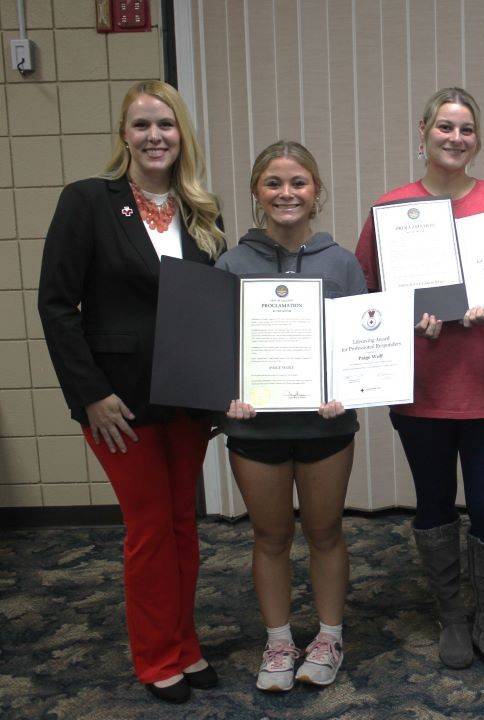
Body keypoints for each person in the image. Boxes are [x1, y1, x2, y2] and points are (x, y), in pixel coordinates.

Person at [38, 80, 226, 704]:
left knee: (182, 525)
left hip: (188, 400)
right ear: (123, 134)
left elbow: (214, 309)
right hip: (117, 402)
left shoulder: (203, 210)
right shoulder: (89, 201)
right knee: (148, 529)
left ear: (182, 136)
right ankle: (156, 658)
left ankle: (187, 644)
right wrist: (89, 393)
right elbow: (57, 304)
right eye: (142, 125)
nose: (154, 137)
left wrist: (220, 388)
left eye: (166, 125)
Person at [354, 87, 484, 681]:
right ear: (422, 130)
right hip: (422, 387)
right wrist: (406, 317)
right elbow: (366, 297)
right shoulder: (392, 209)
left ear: (478, 139)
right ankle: (453, 616)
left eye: (467, 129)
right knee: (433, 505)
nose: (456, 138)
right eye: (445, 127)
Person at [217, 141, 367, 692]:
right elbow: (217, 350)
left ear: (316, 191)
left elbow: (362, 344)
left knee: (326, 531)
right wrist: (224, 395)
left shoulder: (342, 262)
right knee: (270, 535)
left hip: (324, 425)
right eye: (274, 183)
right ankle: (279, 642)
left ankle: (329, 636)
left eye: (298, 182)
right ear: (257, 192)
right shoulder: (230, 264)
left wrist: (346, 389)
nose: (287, 193)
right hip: (255, 427)